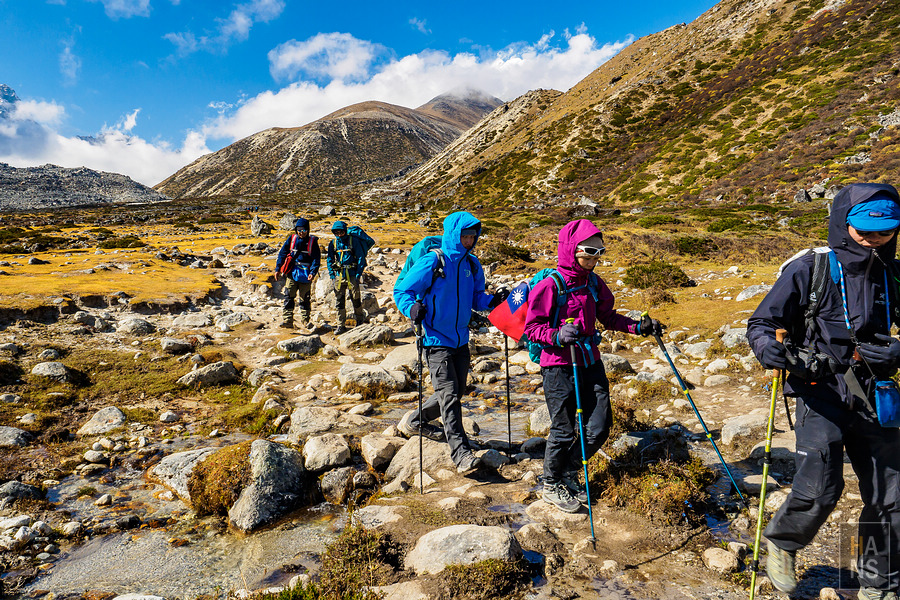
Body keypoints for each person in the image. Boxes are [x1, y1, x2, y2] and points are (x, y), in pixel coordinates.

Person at [748, 183, 900, 600]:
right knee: (820, 486)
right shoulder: (810, 269)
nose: (874, 239)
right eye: (864, 230)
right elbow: (761, 324)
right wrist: (769, 350)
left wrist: (896, 354)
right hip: (820, 392)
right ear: (842, 223)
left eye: (885, 231)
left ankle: (878, 582)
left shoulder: (893, 273)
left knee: (892, 494)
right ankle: (783, 542)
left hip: (876, 395)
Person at [523, 219, 663, 513]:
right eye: (589, 252)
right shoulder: (551, 286)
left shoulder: (594, 283)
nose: (594, 259)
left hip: (589, 361)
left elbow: (609, 317)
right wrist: (557, 335)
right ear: (570, 250)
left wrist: (640, 327)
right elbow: (531, 329)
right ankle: (550, 484)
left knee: (599, 426)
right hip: (558, 366)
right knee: (563, 430)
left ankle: (568, 470)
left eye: (600, 252)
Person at [393, 211, 508, 474]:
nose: (469, 241)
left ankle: (415, 420)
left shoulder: (472, 265)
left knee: (456, 390)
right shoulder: (434, 261)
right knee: (450, 398)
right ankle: (461, 455)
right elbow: (402, 290)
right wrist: (411, 309)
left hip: (460, 338)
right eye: (465, 236)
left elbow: (476, 297)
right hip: (435, 339)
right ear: (454, 235)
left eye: (472, 237)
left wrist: (494, 301)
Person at [274, 217, 320, 330]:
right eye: (299, 230)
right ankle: (288, 320)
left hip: (306, 274)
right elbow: (282, 254)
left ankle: (305, 320)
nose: (301, 232)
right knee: (288, 296)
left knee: (305, 298)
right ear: (296, 230)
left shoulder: (312, 242)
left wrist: (313, 272)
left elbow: (316, 259)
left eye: (304, 230)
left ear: (308, 230)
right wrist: (277, 269)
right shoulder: (291, 239)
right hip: (292, 273)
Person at [326, 220, 366, 334]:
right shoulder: (333, 243)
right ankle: (340, 325)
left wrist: (358, 273)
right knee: (339, 301)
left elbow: (360, 258)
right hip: (339, 276)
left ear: (345, 231)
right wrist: (332, 274)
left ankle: (359, 321)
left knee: (356, 298)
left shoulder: (353, 241)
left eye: (341, 232)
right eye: (336, 232)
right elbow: (329, 259)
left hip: (352, 275)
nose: (339, 234)